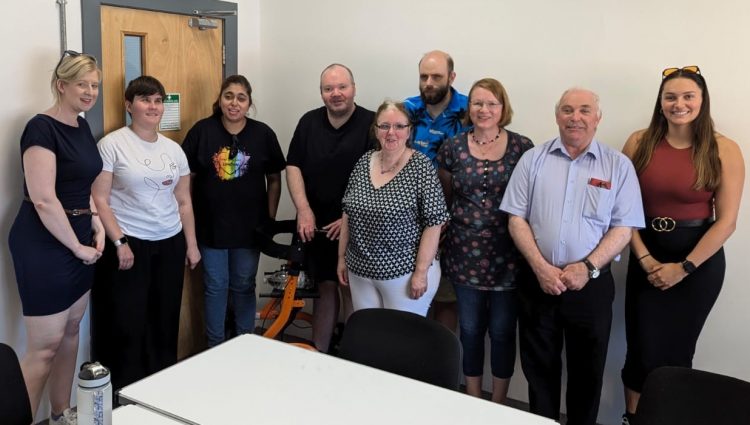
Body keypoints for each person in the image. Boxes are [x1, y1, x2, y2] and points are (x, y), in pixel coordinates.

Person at [500, 88, 644, 425]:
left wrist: (588, 266)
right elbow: (515, 218)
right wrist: (540, 267)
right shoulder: (533, 159)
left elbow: (624, 228)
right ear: (557, 116)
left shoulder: (618, 166)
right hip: (538, 282)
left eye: (583, 110)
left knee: (587, 373)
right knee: (539, 369)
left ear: (597, 118)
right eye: (567, 110)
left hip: (591, 287)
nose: (574, 117)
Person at [619, 67, 744, 425]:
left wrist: (684, 267)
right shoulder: (638, 143)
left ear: (702, 101)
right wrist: (643, 258)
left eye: (688, 96)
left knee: (674, 356)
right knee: (639, 351)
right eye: (670, 97)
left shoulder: (724, 149)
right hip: (646, 254)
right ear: (660, 103)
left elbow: (727, 222)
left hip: (697, 264)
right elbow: (622, 209)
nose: (679, 104)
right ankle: (634, 420)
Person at [8, 50, 103, 425]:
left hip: (79, 235)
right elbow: (45, 200)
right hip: (45, 243)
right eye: (82, 84)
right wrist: (76, 246)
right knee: (43, 349)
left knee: (70, 333)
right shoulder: (40, 128)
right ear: (61, 85)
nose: (90, 92)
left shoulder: (81, 127)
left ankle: (60, 415)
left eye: (95, 85)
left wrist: (94, 221)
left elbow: (84, 184)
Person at [91, 75, 201, 391]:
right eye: (144, 100)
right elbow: (100, 199)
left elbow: (183, 201)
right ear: (129, 106)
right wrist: (119, 241)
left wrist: (191, 245)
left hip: (169, 242)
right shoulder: (112, 144)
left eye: (157, 101)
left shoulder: (174, 150)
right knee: (127, 323)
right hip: (129, 244)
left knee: (164, 321)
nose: (152, 107)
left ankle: (160, 390)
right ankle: (125, 393)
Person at [437, 78, 533, 403]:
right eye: (477, 103)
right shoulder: (452, 147)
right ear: (469, 108)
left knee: (504, 332)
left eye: (491, 103)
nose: (484, 109)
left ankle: (499, 402)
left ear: (503, 108)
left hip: (509, 257)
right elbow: (446, 198)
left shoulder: (523, 147)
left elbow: (530, 200)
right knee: (470, 330)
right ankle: (475, 397)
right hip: (463, 255)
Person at [182, 75, 285, 348]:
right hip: (210, 227)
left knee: (243, 284)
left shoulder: (263, 134)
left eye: (241, 97)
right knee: (215, 286)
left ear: (249, 103)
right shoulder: (202, 131)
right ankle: (214, 347)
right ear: (220, 100)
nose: (234, 103)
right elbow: (186, 179)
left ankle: (245, 345)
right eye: (228, 96)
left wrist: (269, 220)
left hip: (250, 229)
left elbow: (275, 178)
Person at [286, 64, 375, 352]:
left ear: (354, 88)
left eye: (342, 87)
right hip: (317, 226)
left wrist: (348, 219)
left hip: (357, 227)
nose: (335, 94)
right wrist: (303, 209)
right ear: (322, 92)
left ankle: (352, 359)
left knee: (351, 291)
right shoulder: (309, 122)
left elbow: (382, 176)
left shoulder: (372, 125)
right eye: (328, 88)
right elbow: (293, 166)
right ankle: (319, 356)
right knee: (324, 290)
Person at [337, 100, 450, 316]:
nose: (391, 132)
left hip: (404, 275)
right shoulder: (363, 162)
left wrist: (420, 272)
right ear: (376, 130)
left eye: (399, 126)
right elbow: (347, 213)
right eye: (384, 126)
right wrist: (342, 258)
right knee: (369, 336)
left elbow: (434, 224)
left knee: (402, 341)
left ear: (409, 131)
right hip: (360, 271)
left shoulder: (421, 167)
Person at [405, 50, 469, 331]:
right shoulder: (406, 110)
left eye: (437, 76)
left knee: (445, 299)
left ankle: (437, 369)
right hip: (408, 219)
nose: (429, 82)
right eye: (424, 76)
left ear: (452, 77)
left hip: (454, 221)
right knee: (410, 295)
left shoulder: (470, 111)